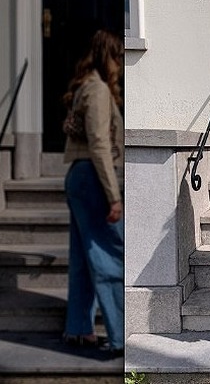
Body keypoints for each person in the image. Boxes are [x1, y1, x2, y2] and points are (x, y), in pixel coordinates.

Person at [61, 30, 125, 356]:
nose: (120, 66)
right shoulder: (98, 90)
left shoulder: (84, 87)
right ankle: (119, 338)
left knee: (83, 258)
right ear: (108, 57)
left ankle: (78, 328)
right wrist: (114, 196)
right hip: (94, 177)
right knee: (111, 256)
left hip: (78, 176)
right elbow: (100, 144)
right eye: (118, 58)